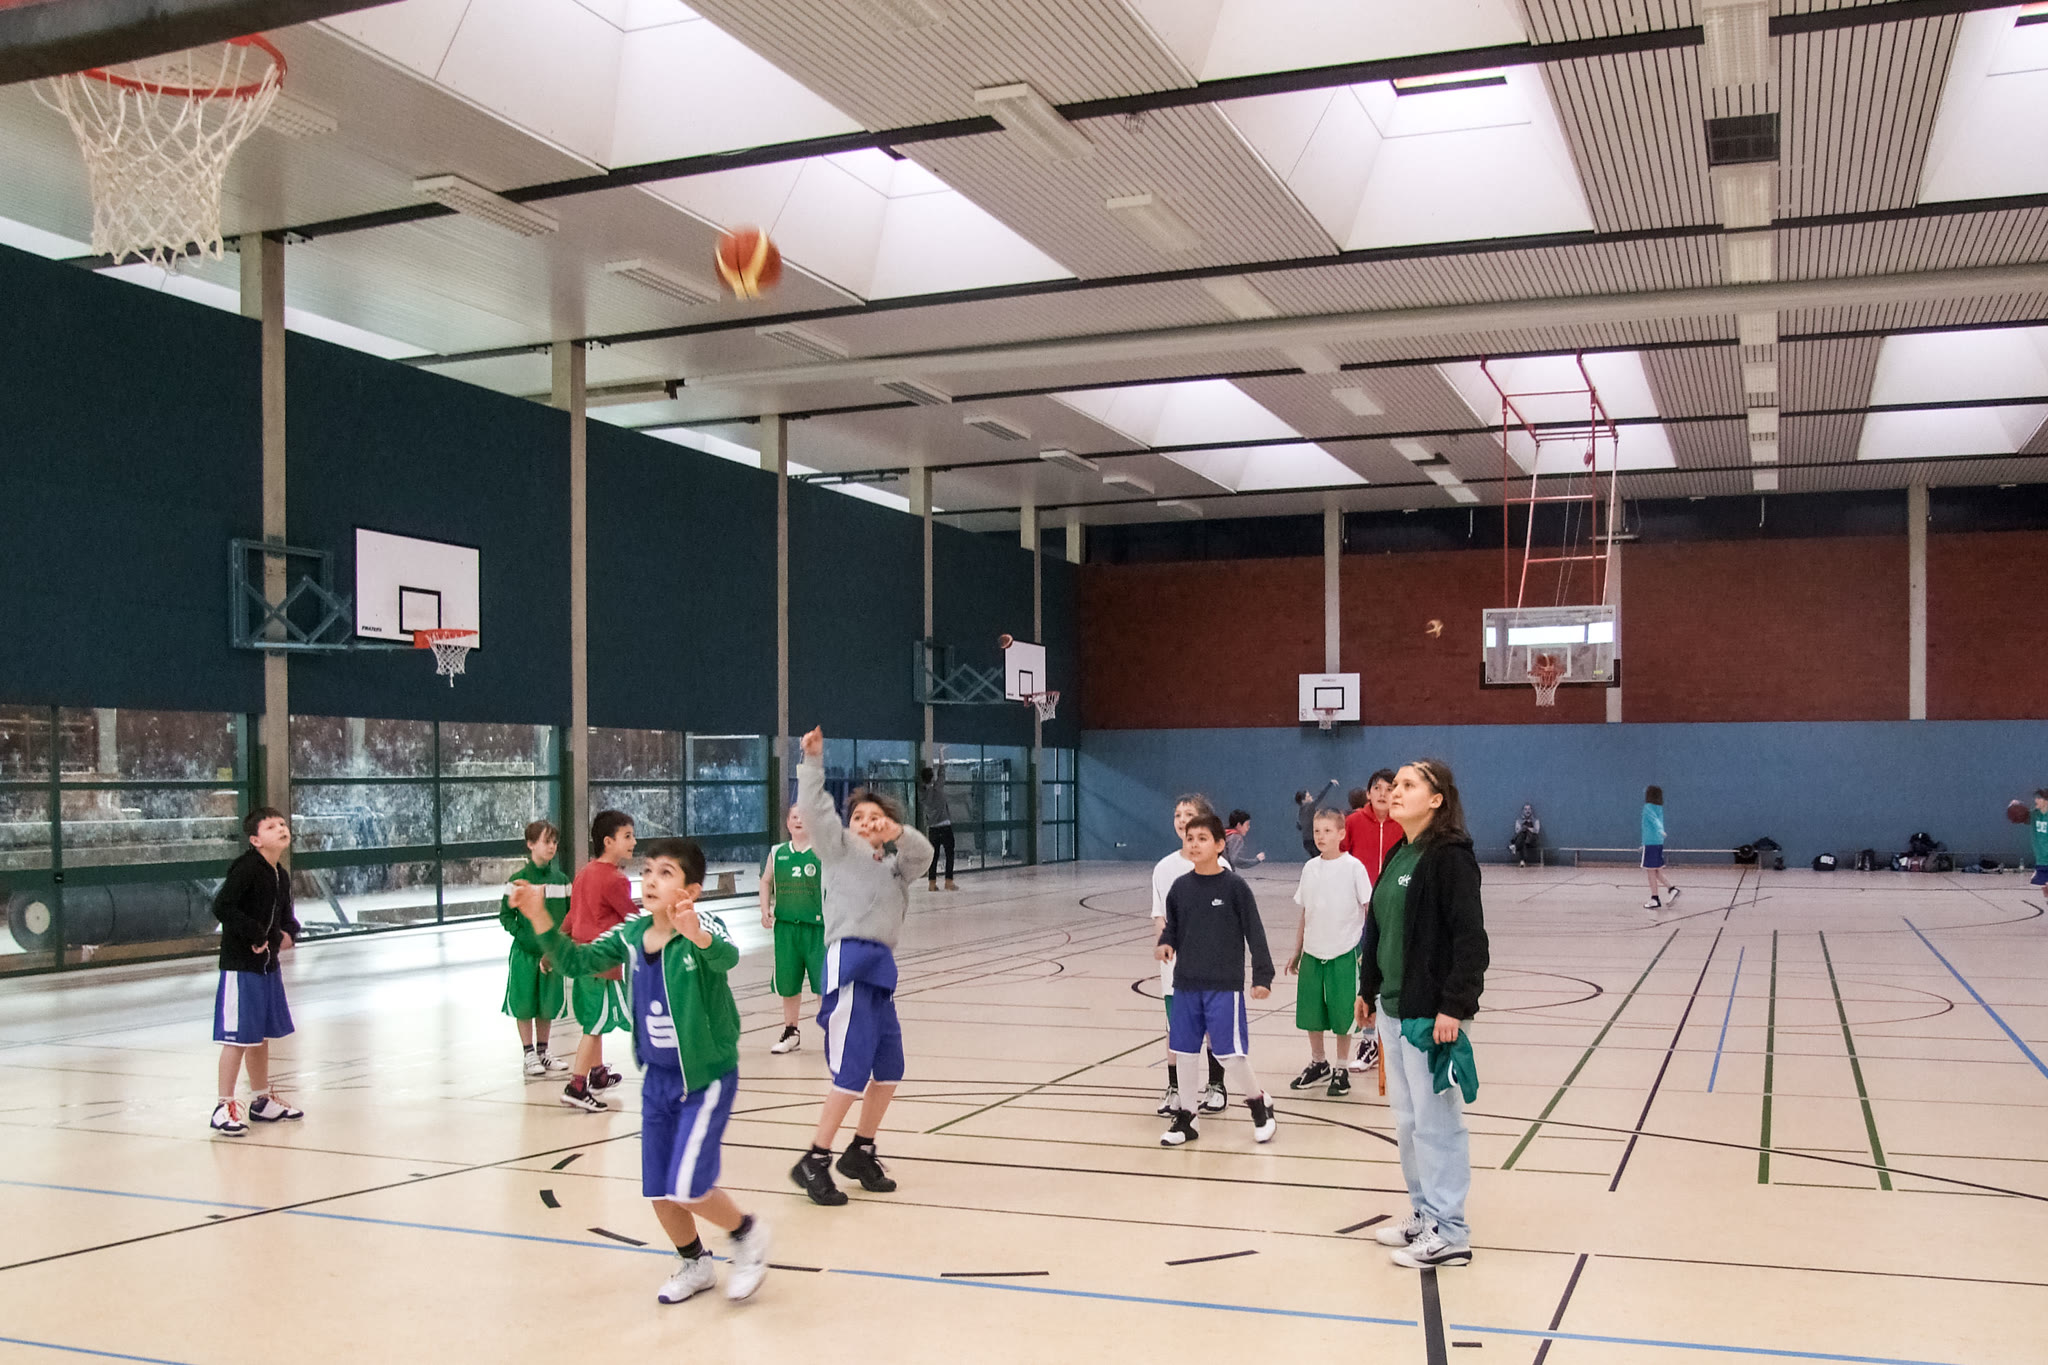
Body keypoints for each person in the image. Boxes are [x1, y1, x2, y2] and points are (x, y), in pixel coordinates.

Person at [510, 838, 771, 1304]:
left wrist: (697, 933)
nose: (650, 880)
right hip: (657, 1080)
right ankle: (695, 1262)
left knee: (689, 1186)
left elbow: (726, 956)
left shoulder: (703, 925)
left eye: (666, 873)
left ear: (692, 890)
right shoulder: (630, 935)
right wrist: (538, 916)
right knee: (659, 1190)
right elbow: (576, 960)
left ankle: (747, 1233)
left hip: (705, 1079)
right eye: (647, 870)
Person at [789, 726, 934, 1207]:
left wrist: (899, 834)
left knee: (889, 1068)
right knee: (851, 1071)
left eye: (875, 817)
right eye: (858, 816)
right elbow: (816, 812)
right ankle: (815, 1158)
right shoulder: (836, 852)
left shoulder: (895, 865)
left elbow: (923, 854)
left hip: (881, 971)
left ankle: (862, 1149)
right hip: (849, 962)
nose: (866, 822)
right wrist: (812, 762)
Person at [1357, 760, 1489, 1270]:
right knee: (1410, 1122)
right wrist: (1369, 987)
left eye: (1409, 785)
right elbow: (1379, 928)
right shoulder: (1399, 853)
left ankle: (1451, 1232)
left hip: (1431, 1016)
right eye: (1395, 784)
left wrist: (1453, 1006)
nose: (1395, 791)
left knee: (1437, 1124)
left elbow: (1470, 941)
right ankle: (1425, 1214)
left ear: (1436, 799)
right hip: (1393, 1009)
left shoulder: (1450, 857)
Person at [1155, 812, 1277, 1147]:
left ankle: (1259, 1106)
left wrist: (1262, 976)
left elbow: (1255, 933)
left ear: (1220, 845)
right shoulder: (1180, 888)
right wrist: (1166, 942)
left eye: (1202, 839)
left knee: (1229, 1054)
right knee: (1184, 1051)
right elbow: (1173, 927)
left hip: (1223, 985)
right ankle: (1188, 1117)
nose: (1194, 844)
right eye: (1190, 839)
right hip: (1186, 984)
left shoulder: (1235, 887)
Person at [209, 806, 304, 1135]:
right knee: (237, 1038)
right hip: (242, 966)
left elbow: (285, 915)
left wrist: (289, 933)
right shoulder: (247, 868)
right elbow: (222, 906)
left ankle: (261, 1100)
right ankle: (223, 1106)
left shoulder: (280, 873)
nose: (281, 829)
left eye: (282, 824)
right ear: (255, 840)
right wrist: (257, 935)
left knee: (260, 1036)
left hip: (267, 967)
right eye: (271, 826)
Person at [1152, 794, 1232, 1117]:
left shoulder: (1220, 867)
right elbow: (1159, 916)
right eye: (1177, 814)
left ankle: (1216, 1086)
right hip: (1176, 970)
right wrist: (1166, 946)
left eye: (1188, 814)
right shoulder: (1164, 868)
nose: (1181, 819)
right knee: (1176, 1030)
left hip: (1210, 968)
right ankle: (1175, 1089)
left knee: (1212, 1029)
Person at [1286, 808, 1371, 1098]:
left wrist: (1368, 950)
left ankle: (1341, 1067)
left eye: (1327, 831)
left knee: (1343, 1013)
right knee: (1312, 1013)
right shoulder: (1310, 869)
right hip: (1313, 951)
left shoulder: (1354, 868)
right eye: (1316, 831)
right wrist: (1298, 950)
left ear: (1341, 833)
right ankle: (1319, 1062)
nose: (1320, 836)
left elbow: (1369, 909)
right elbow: (1305, 912)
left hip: (1344, 952)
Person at [560, 810, 638, 1112]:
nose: (633, 842)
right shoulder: (615, 880)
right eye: (627, 836)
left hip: (582, 961)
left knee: (596, 1019)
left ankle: (598, 1073)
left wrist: (554, 949)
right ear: (608, 841)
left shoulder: (584, 873)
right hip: (602, 964)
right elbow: (633, 919)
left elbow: (572, 916)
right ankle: (577, 1086)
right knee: (594, 1026)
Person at [501, 819, 571, 1077]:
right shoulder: (517, 881)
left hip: (550, 955)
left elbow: (569, 916)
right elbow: (505, 916)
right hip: (524, 954)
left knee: (547, 1003)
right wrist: (522, 935)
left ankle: (543, 1051)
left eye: (554, 842)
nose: (551, 846)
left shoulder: (562, 881)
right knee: (524, 1003)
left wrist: (557, 946)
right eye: (546, 841)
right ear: (530, 844)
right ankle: (528, 1053)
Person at [760, 803, 826, 1054]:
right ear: (787, 822)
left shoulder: (822, 852)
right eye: (794, 817)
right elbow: (766, 881)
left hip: (817, 929)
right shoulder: (777, 853)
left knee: (823, 984)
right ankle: (791, 1031)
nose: (799, 820)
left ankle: (832, 1034)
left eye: (804, 816)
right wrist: (764, 909)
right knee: (788, 984)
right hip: (786, 929)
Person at [1342, 771, 1402, 882]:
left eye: (1389, 789)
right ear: (1368, 794)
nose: (1382, 794)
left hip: (1392, 888)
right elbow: (1340, 855)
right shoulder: (1352, 821)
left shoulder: (1403, 824)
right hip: (1359, 889)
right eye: (1377, 788)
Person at [919, 764, 957, 892]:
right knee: (949, 854)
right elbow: (942, 774)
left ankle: (932, 883)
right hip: (945, 826)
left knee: (933, 857)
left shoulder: (922, 795)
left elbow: (926, 787)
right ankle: (948, 881)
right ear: (932, 778)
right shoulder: (938, 789)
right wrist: (941, 756)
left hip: (933, 829)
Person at [1642, 785, 1679, 910]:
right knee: (1657, 871)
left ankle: (1655, 898)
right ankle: (1672, 889)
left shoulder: (1648, 807)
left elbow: (1654, 821)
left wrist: (1660, 830)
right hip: (1658, 842)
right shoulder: (1659, 808)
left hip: (1651, 842)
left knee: (1650, 871)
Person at [1294, 778, 1339, 855]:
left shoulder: (1300, 812)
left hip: (1306, 842)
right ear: (1303, 801)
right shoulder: (1309, 807)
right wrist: (1330, 784)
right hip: (1313, 841)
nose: (1311, 797)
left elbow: (1300, 826)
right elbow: (1320, 797)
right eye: (1308, 796)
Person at [1509, 804, 1542, 868]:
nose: (1527, 811)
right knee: (1523, 840)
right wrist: (1523, 829)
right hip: (1523, 841)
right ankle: (1522, 862)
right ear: (1523, 811)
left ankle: (1514, 846)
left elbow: (1536, 831)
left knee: (1524, 831)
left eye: (1529, 809)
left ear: (1531, 810)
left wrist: (1527, 828)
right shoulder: (1518, 821)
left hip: (1532, 841)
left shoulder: (1536, 820)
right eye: (1525, 809)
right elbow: (1517, 831)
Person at [2031, 790, 2048, 904]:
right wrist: (2016, 805)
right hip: (2041, 859)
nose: (2035, 800)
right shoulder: (2034, 814)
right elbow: (2022, 816)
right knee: (2045, 891)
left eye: (2039, 798)